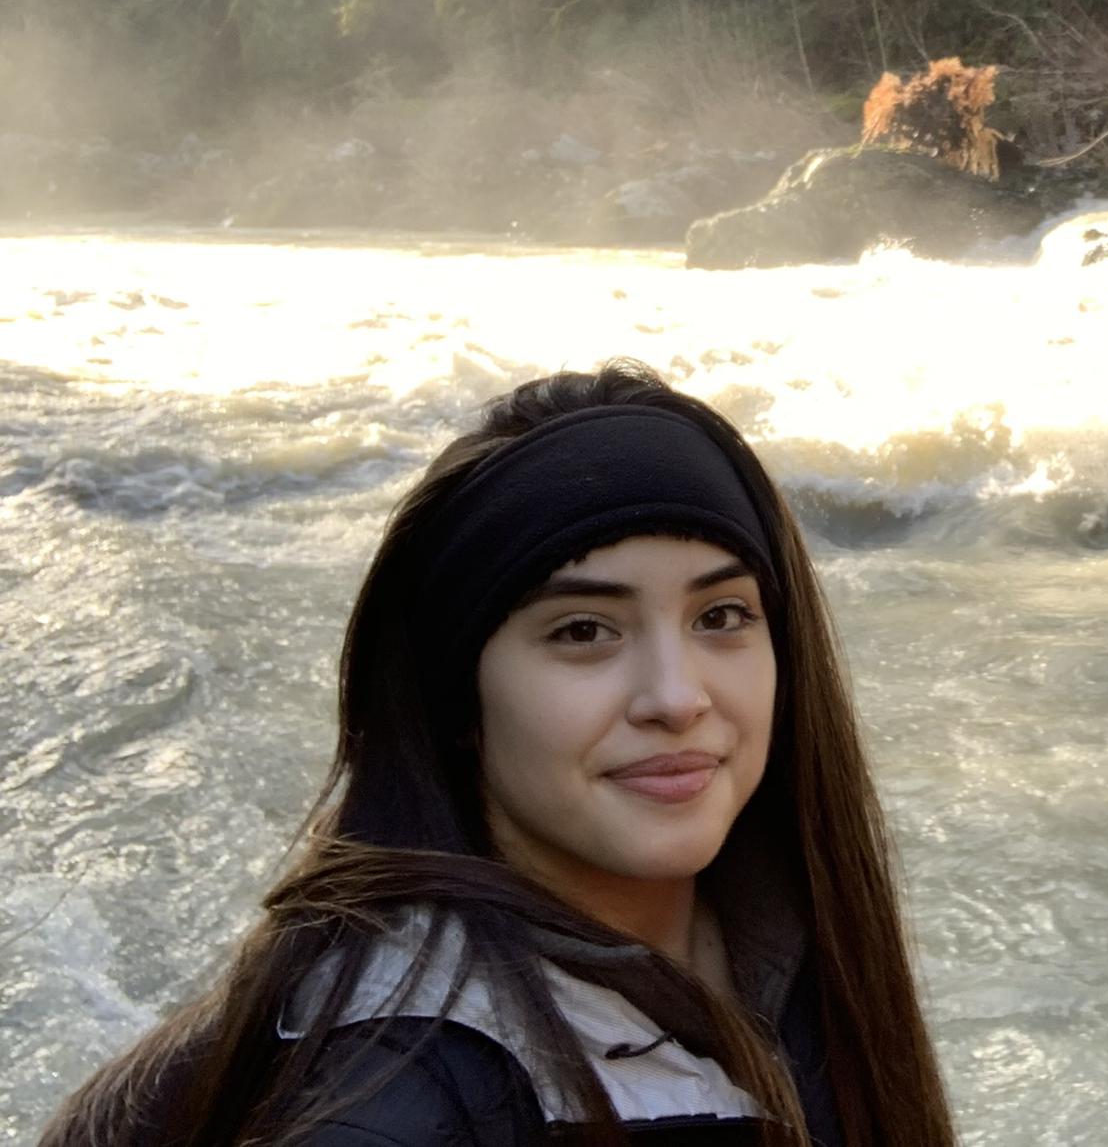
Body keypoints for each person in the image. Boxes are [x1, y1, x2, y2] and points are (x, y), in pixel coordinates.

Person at [41, 360, 957, 1147]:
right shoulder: (406, 1089)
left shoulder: (777, 926)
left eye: (721, 616)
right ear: (458, 700)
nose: (678, 697)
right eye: (584, 631)